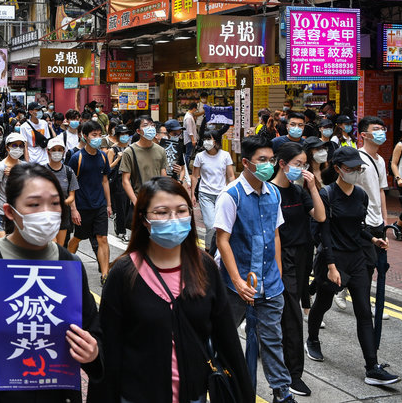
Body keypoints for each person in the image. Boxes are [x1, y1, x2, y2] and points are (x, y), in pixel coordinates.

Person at [0, 163, 103, 403]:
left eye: (55, 203)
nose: (47, 213)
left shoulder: (69, 265)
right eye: (34, 204)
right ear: (10, 211)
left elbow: (93, 333)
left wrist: (93, 353)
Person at [88, 176, 253, 403]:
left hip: (193, 395)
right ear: (144, 219)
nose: (173, 219)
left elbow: (227, 339)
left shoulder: (204, 266)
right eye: (162, 212)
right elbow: (110, 345)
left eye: (182, 210)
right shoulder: (124, 273)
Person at [305, 147, 401, 386]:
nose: (356, 172)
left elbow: (357, 227)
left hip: (357, 259)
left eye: (359, 168)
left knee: (363, 311)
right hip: (332, 258)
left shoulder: (360, 194)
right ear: (337, 169)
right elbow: (322, 233)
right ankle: (312, 339)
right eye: (351, 169)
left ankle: (372, 368)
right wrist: (331, 266)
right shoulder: (327, 195)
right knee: (324, 302)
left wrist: (372, 239)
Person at [214, 135, 295, 403]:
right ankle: (220, 385)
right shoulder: (231, 195)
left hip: (270, 284)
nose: (268, 165)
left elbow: (275, 235)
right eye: (262, 160)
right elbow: (222, 240)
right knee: (223, 338)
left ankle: (281, 393)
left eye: (271, 160)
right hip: (235, 285)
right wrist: (237, 280)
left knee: (272, 340)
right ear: (246, 163)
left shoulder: (273, 193)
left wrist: (278, 275)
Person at [270, 142, 324, 397]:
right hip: (282, 258)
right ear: (282, 164)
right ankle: (294, 375)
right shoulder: (269, 192)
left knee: (287, 310)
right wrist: (279, 267)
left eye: (305, 165)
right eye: (298, 164)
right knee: (292, 315)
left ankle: (270, 349)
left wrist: (312, 187)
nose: (302, 169)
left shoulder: (298, 191)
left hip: (303, 257)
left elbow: (321, 216)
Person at [344, 117, 392, 338]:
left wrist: (384, 219)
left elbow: (381, 190)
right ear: (363, 134)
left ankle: (352, 294)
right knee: (363, 266)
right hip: (359, 223)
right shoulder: (357, 159)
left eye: (383, 129)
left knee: (369, 266)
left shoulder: (381, 160)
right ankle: (350, 295)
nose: (381, 133)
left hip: (376, 223)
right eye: (376, 130)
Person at [67, 121, 112, 285]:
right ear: (84, 136)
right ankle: (66, 265)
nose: (98, 138)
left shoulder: (103, 156)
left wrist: (108, 204)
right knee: (77, 238)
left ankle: (105, 275)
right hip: (82, 207)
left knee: (103, 239)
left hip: (99, 205)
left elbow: (105, 181)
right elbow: (70, 185)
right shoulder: (76, 158)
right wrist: (74, 209)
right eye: (94, 135)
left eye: (100, 135)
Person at [191, 130, 235, 250]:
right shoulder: (200, 156)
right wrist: (192, 194)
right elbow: (195, 176)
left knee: (222, 225)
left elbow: (231, 176)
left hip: (222, 195)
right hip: (205, 194)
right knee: (210, 224)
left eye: (209, 139)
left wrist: (233, 193)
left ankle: (218, 249)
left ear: (216, 140)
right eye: (204, 139)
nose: (206, 142)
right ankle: (209, 250)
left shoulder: (225, 155)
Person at [0, 132, 28, 239]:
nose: (18, 148)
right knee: (2, 248)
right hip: (1, 214)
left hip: (19, 213)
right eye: (14, 145)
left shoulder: (24, 167)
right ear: (7, 148)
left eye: (21, 145)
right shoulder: (1, 167)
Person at [120, 116, 168, 208]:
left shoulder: (161, 150)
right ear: (138, 131)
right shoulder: (129, 151)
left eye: (152, 125)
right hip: (140, 199)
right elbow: (125, 180)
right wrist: (135, 201)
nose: (150, 128)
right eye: (145, 125)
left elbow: (163, 175)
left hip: (158, 200)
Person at [44, 136, 80, 247]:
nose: (57, 152)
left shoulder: (69, 172)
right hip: (46, 215)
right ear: (48, 151)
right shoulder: (41, 171)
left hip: (63, 214)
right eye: (54, 150)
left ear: (64, 152)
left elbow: (71, 195)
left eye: (60, 150)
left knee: (60, 247)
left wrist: (62, 203)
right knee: (50, 245)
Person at [107, 125, 130, 242]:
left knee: (127, 206)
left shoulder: (131, 148)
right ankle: (122, 231)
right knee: (121, 206)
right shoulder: (113, 150)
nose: (125, 136)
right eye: (122, 134)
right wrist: (118, 159)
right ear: (117, 136)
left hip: (130, 180)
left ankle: (119, 223)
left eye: (127, 134)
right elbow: (107, 168)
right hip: (118, 181)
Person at [160, 119, 186, 184]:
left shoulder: (177, 147)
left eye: (179, 133)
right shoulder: (158, 147)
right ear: (167, 133)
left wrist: (180, 180)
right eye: (174, 133)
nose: (177, 136)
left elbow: (183, 169)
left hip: (173, 182)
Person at [182, 102, 200, 169]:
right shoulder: (188, 117)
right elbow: (189, 130)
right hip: (189, 139)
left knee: (189, 154)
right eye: (196, 109)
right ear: (194, 108)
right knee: (188, 154)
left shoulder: (189, 116)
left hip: (190, 139)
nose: (196, 111)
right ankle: (186, 167)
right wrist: (193, 140)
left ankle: (187, 167)